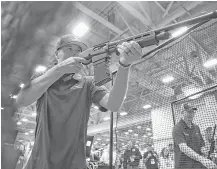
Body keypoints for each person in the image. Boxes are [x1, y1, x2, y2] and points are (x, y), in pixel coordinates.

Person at [16, 34, 143, 169]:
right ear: (57, 54)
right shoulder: (43, 78)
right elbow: (22, 100)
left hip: (75, 164)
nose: (75, 53)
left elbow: (114, 104)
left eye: (78, 50)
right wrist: (60, 69)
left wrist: (124, 65)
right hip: (40, 163)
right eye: (70, 49)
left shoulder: (88, 83)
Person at [172, 103, 217, 169]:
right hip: (183, 166)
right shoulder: (177, 128)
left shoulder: (196, 127)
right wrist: (202, 159)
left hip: (197, 165)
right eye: (189, 112)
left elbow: (201, 146)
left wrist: (207, 152)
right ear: (182, 112)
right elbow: (184, 148)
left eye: (193, 112)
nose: (191, 114)